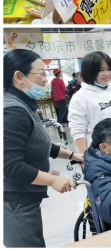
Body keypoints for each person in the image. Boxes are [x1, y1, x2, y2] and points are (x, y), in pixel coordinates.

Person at [4, 49, 84, 247]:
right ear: (19, 77)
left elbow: (40, 144)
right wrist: (53, 180)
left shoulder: (24, 103)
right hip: (17, 200)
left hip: (27, 198)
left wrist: (75, 155)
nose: (45, 79)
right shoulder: (13, 111)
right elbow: (10, 166)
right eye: (40, 73)